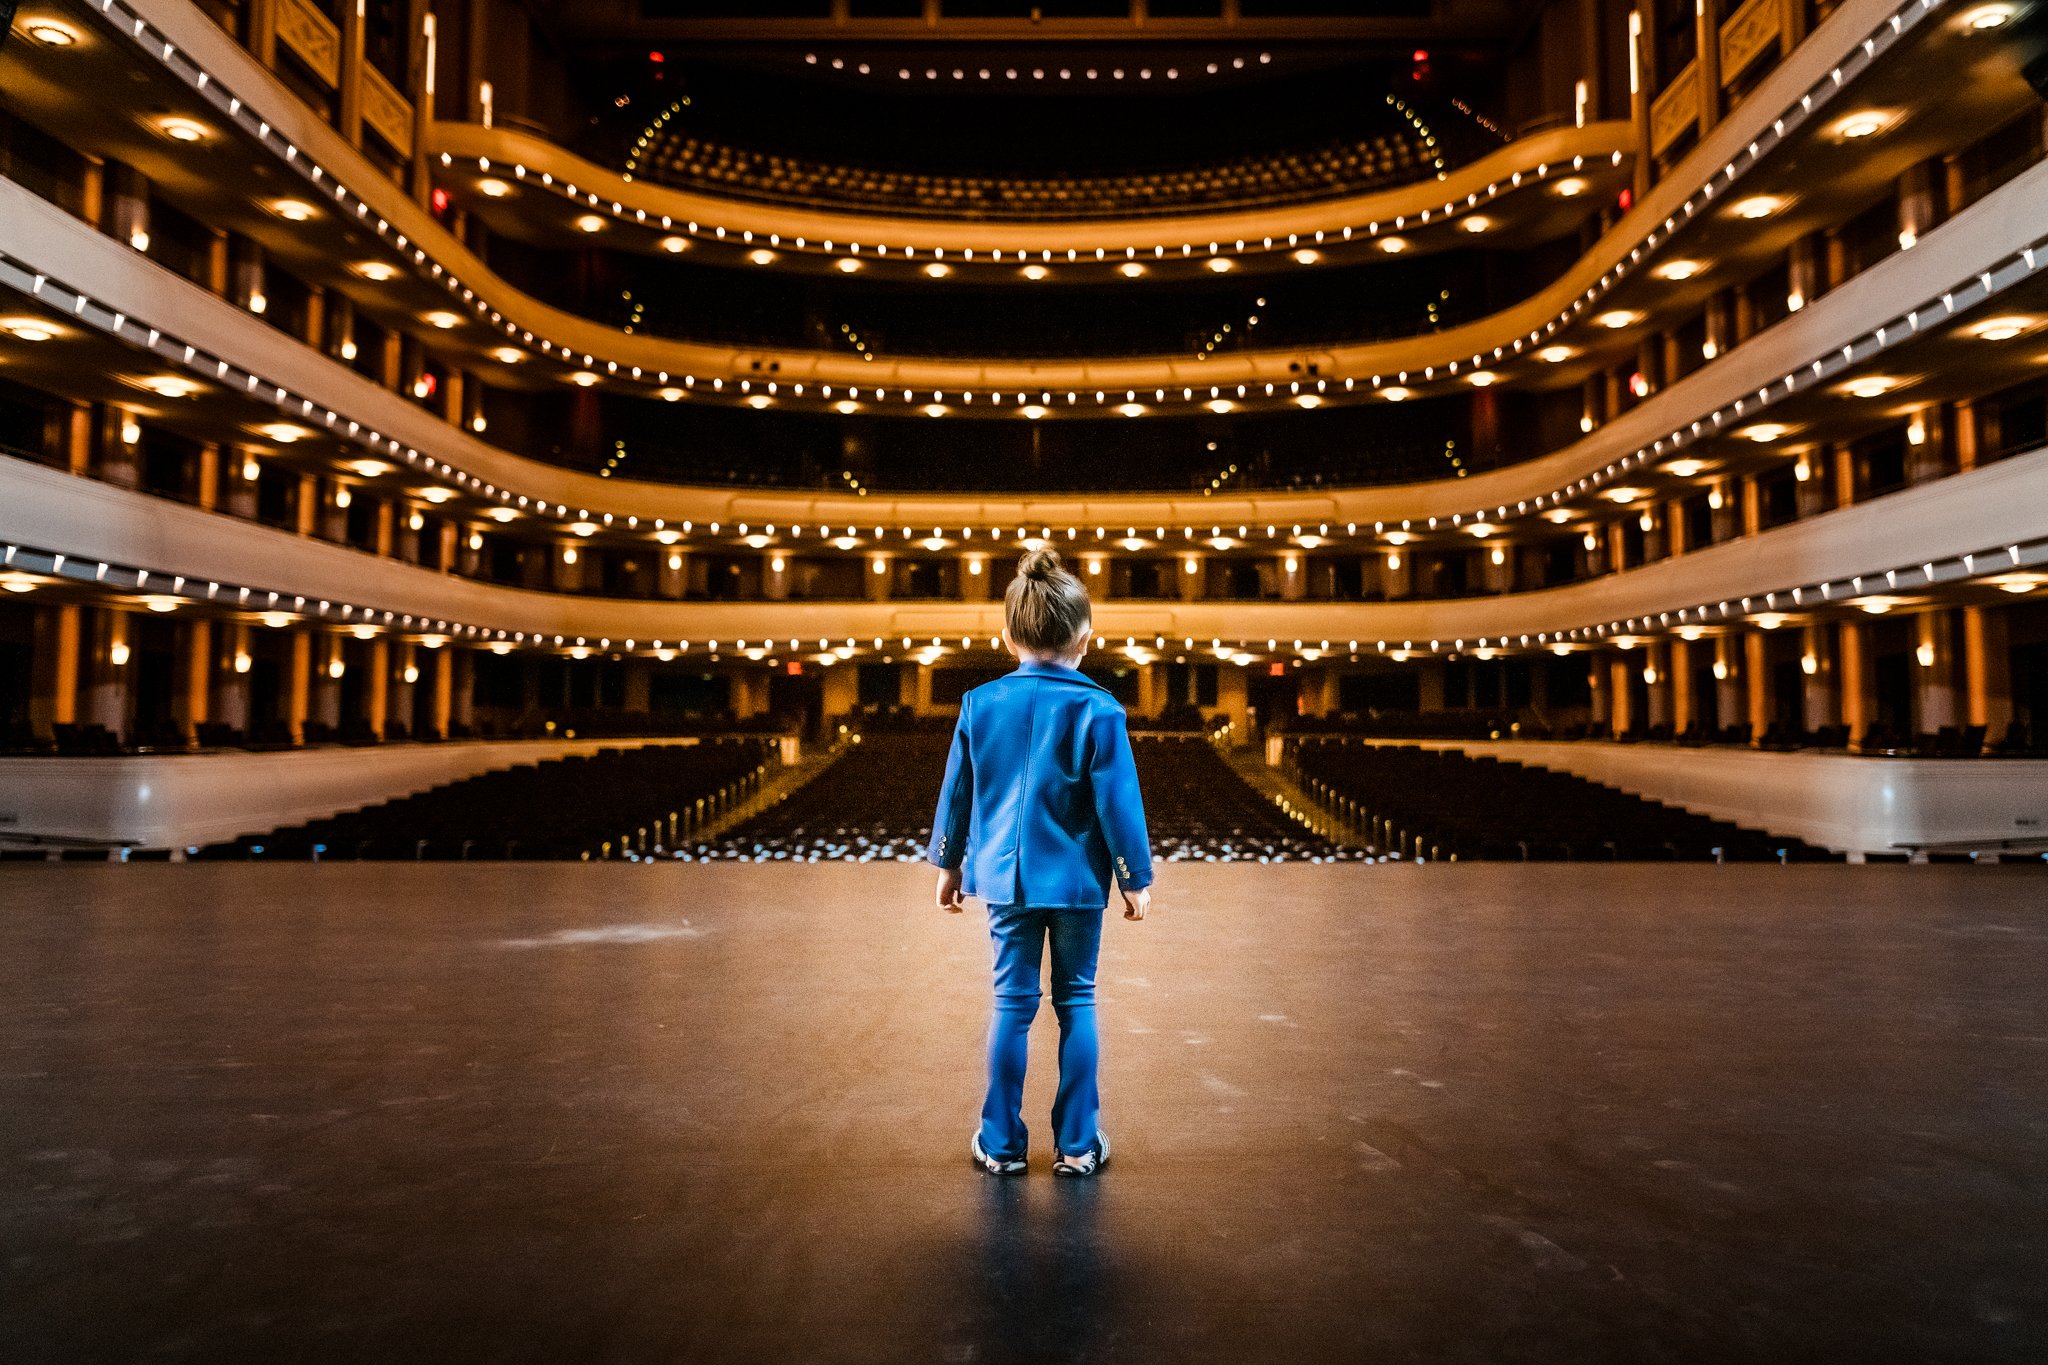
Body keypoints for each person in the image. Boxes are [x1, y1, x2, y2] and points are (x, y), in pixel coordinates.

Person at [927, 547, 1154, 1178]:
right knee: (1076, 1002)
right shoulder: (1101, 709)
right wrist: (1135, 878)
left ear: (1006, 638)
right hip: (1079, 881)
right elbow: (1119, 804)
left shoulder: (978, 704)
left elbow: (959, 792)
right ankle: (1078, 1146)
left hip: (1004, 880)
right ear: (1088, 636)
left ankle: (1000, 1146)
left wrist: (950, 867)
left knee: (1012, 1006)